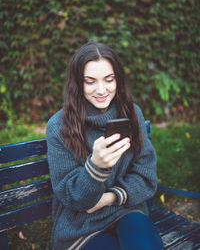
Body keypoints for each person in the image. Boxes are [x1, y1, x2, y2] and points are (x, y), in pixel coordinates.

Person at [46, 41, 164, 250]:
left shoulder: (131, 113)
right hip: (81, 225)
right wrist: (95, 167)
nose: (101, 90)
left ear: (117, 79)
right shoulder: (59, 126)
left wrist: (110, 197)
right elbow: (72, 197)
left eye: (109, 80)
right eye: (90, 82)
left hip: (126, 210)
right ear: (77, 83)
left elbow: (146, 176)